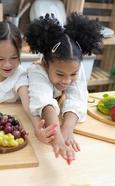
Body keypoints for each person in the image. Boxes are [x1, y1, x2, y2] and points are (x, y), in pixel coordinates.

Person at [25, 13, 103, 164]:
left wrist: (67, 129)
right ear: (46, 64)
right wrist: (58, 137)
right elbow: (45, 103)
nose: (67, 81)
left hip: (53, 116)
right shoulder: (37, 71)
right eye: (60, 74)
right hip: (28, 115)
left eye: (73, 74)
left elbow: (78, 98)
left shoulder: (74, 68)